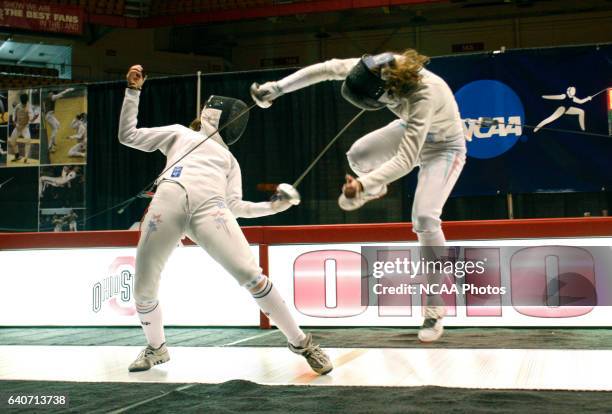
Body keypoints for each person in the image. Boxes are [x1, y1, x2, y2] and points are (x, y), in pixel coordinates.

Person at [119, 64, 332, 374]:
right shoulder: (179, 134)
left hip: (212, 211)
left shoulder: (230, 161)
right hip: (166, 203)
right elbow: (128, 135)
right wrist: (133, 92)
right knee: (143, 287)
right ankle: (156, 348)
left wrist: (273, 208)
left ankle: (302, 343)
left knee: (252, 276)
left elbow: (236, 206)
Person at [251, 49, 467, 342]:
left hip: (444, 149)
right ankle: (377, 189)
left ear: (388, 91)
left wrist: (362, 186)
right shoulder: (373, 68)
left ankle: (434, 309)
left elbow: (405, 160)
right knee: (359, 155)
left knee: (425, 218)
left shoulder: (424, 94)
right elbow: (326, 68)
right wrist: (276, 89)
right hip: (410, 129)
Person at [9, 93, 39, 163]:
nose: (24, 103)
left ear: (26, 100)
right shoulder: (18, 106)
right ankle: (17, 155)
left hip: (25, 127)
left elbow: (31, 119)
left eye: (25, 102)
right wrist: (14, 122)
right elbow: (14, 114)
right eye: (23, 101)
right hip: (18, 126)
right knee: (12, 141)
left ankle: (26, 158)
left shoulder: (29, 108)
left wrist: (34, 118)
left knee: (28, 140)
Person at [43, 88, 75, 153]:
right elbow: (60, 94)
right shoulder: (52, 97)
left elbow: (44, 107)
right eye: (51, 92)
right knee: (55, 129)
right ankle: (50, 146)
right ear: (50, 93)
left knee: (58, 124)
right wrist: (68, 90)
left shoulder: (47, 98)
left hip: (49, 115)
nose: (52, 93)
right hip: (49, 116)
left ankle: (53, 142)